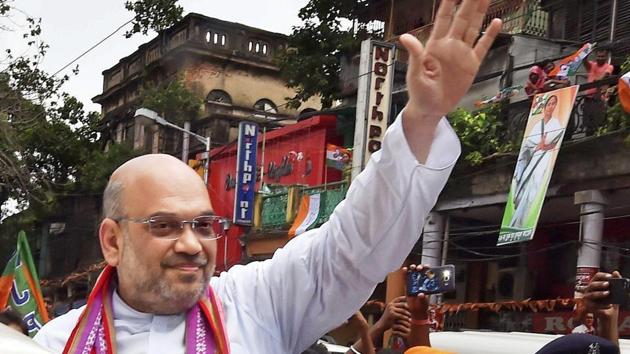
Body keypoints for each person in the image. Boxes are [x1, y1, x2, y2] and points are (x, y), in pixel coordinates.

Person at [33, 1, 502, 353]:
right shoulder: (57, 344)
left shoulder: (255, 303)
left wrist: (422, 116)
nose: (192, 244)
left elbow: (350, 249)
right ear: (112, 241)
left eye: (203, 225)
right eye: (164, 225)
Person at [510, 95, 564, 228]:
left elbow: (554, 143)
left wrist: (544, 146)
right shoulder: (537, 125)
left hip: (544, 158)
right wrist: (537, 146)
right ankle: (516, 220)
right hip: (534, 157)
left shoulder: (556, 123)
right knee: (523, 186)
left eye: (553, 104)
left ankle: (519, 223)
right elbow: (528, 145)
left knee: (532, 189)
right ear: (545, 106)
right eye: (549, 104)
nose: (551, 107)